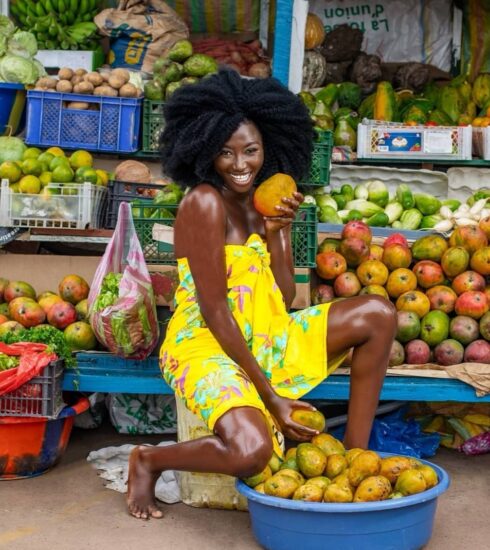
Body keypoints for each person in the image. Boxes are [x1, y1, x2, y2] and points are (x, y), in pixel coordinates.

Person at [127, 69, 397, 519]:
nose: (240, 164)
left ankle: (353, 459)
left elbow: (285, 295)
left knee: (378, 314)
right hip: (207, 345)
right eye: (225, 153)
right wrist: (271, 397)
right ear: (203, 150)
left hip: (265, 332)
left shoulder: (261, 202)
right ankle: (150, 460)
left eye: (251, 151)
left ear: (268, 147)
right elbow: (215, 311)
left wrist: (279, 233)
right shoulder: (204, 203)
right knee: (251, 452)